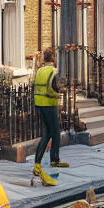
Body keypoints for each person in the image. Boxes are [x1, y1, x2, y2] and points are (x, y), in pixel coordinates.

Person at [31, 48, 68, 186]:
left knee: (49, 131)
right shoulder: (53, 71)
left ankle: (45, 160)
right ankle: (43, 162)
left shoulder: (40, 70)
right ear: (53, 59)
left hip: (39, 103)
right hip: (50, 103)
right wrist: (61, 90)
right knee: (52, 132)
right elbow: (55, 86)